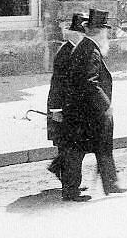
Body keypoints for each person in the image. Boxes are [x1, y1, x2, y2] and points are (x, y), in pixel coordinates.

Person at [61, 9, 127, 202]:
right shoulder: (91, 51)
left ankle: (110, 183)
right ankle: (71, 191)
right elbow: (90, 82)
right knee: (78, 150)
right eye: (105, 32)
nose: (106, 36)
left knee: (101, 147)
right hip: (86, 111)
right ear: (98, 32)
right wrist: (105, 105)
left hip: (82, 109)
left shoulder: (85, 47)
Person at [46, 13, 87, 185]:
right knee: (72, 147)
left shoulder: (76, 50)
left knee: (70, 146)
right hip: (62, 109)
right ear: (76, 34)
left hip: (71, 109)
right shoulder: (66, 53)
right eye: (84, 34)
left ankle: (59, 169)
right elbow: (57, 83)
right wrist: (56, 110)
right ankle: (71, 187)